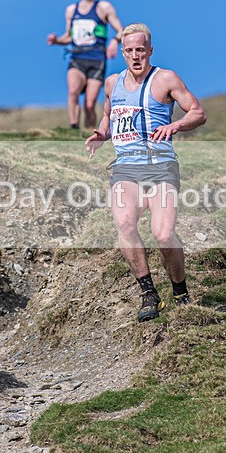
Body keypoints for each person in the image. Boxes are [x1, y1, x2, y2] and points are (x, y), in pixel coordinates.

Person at [85, 23, 207, 322]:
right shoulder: (112, 83)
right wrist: (102, 135)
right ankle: (149, 294)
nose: (135, 56)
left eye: (141, 50)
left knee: (163, 235)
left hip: (161, 167)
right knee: (125, 224)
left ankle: (180, 292)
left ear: (150, 51)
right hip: (126, 168)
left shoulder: (165, 78)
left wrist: (175, 125)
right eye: (129, 50)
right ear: (123, 52)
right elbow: (108, 116)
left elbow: (198, 113)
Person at [47, 0, 124, 130]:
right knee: (73, 92)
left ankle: (89, 134)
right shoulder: (71, 10)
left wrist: (114, 41)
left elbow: (121, 31)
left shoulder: (103, 7)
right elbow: (69, 37)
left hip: (97, 59)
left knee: (89, 104)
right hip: (77, 58)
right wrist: (56, 41)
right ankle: (74, 130)